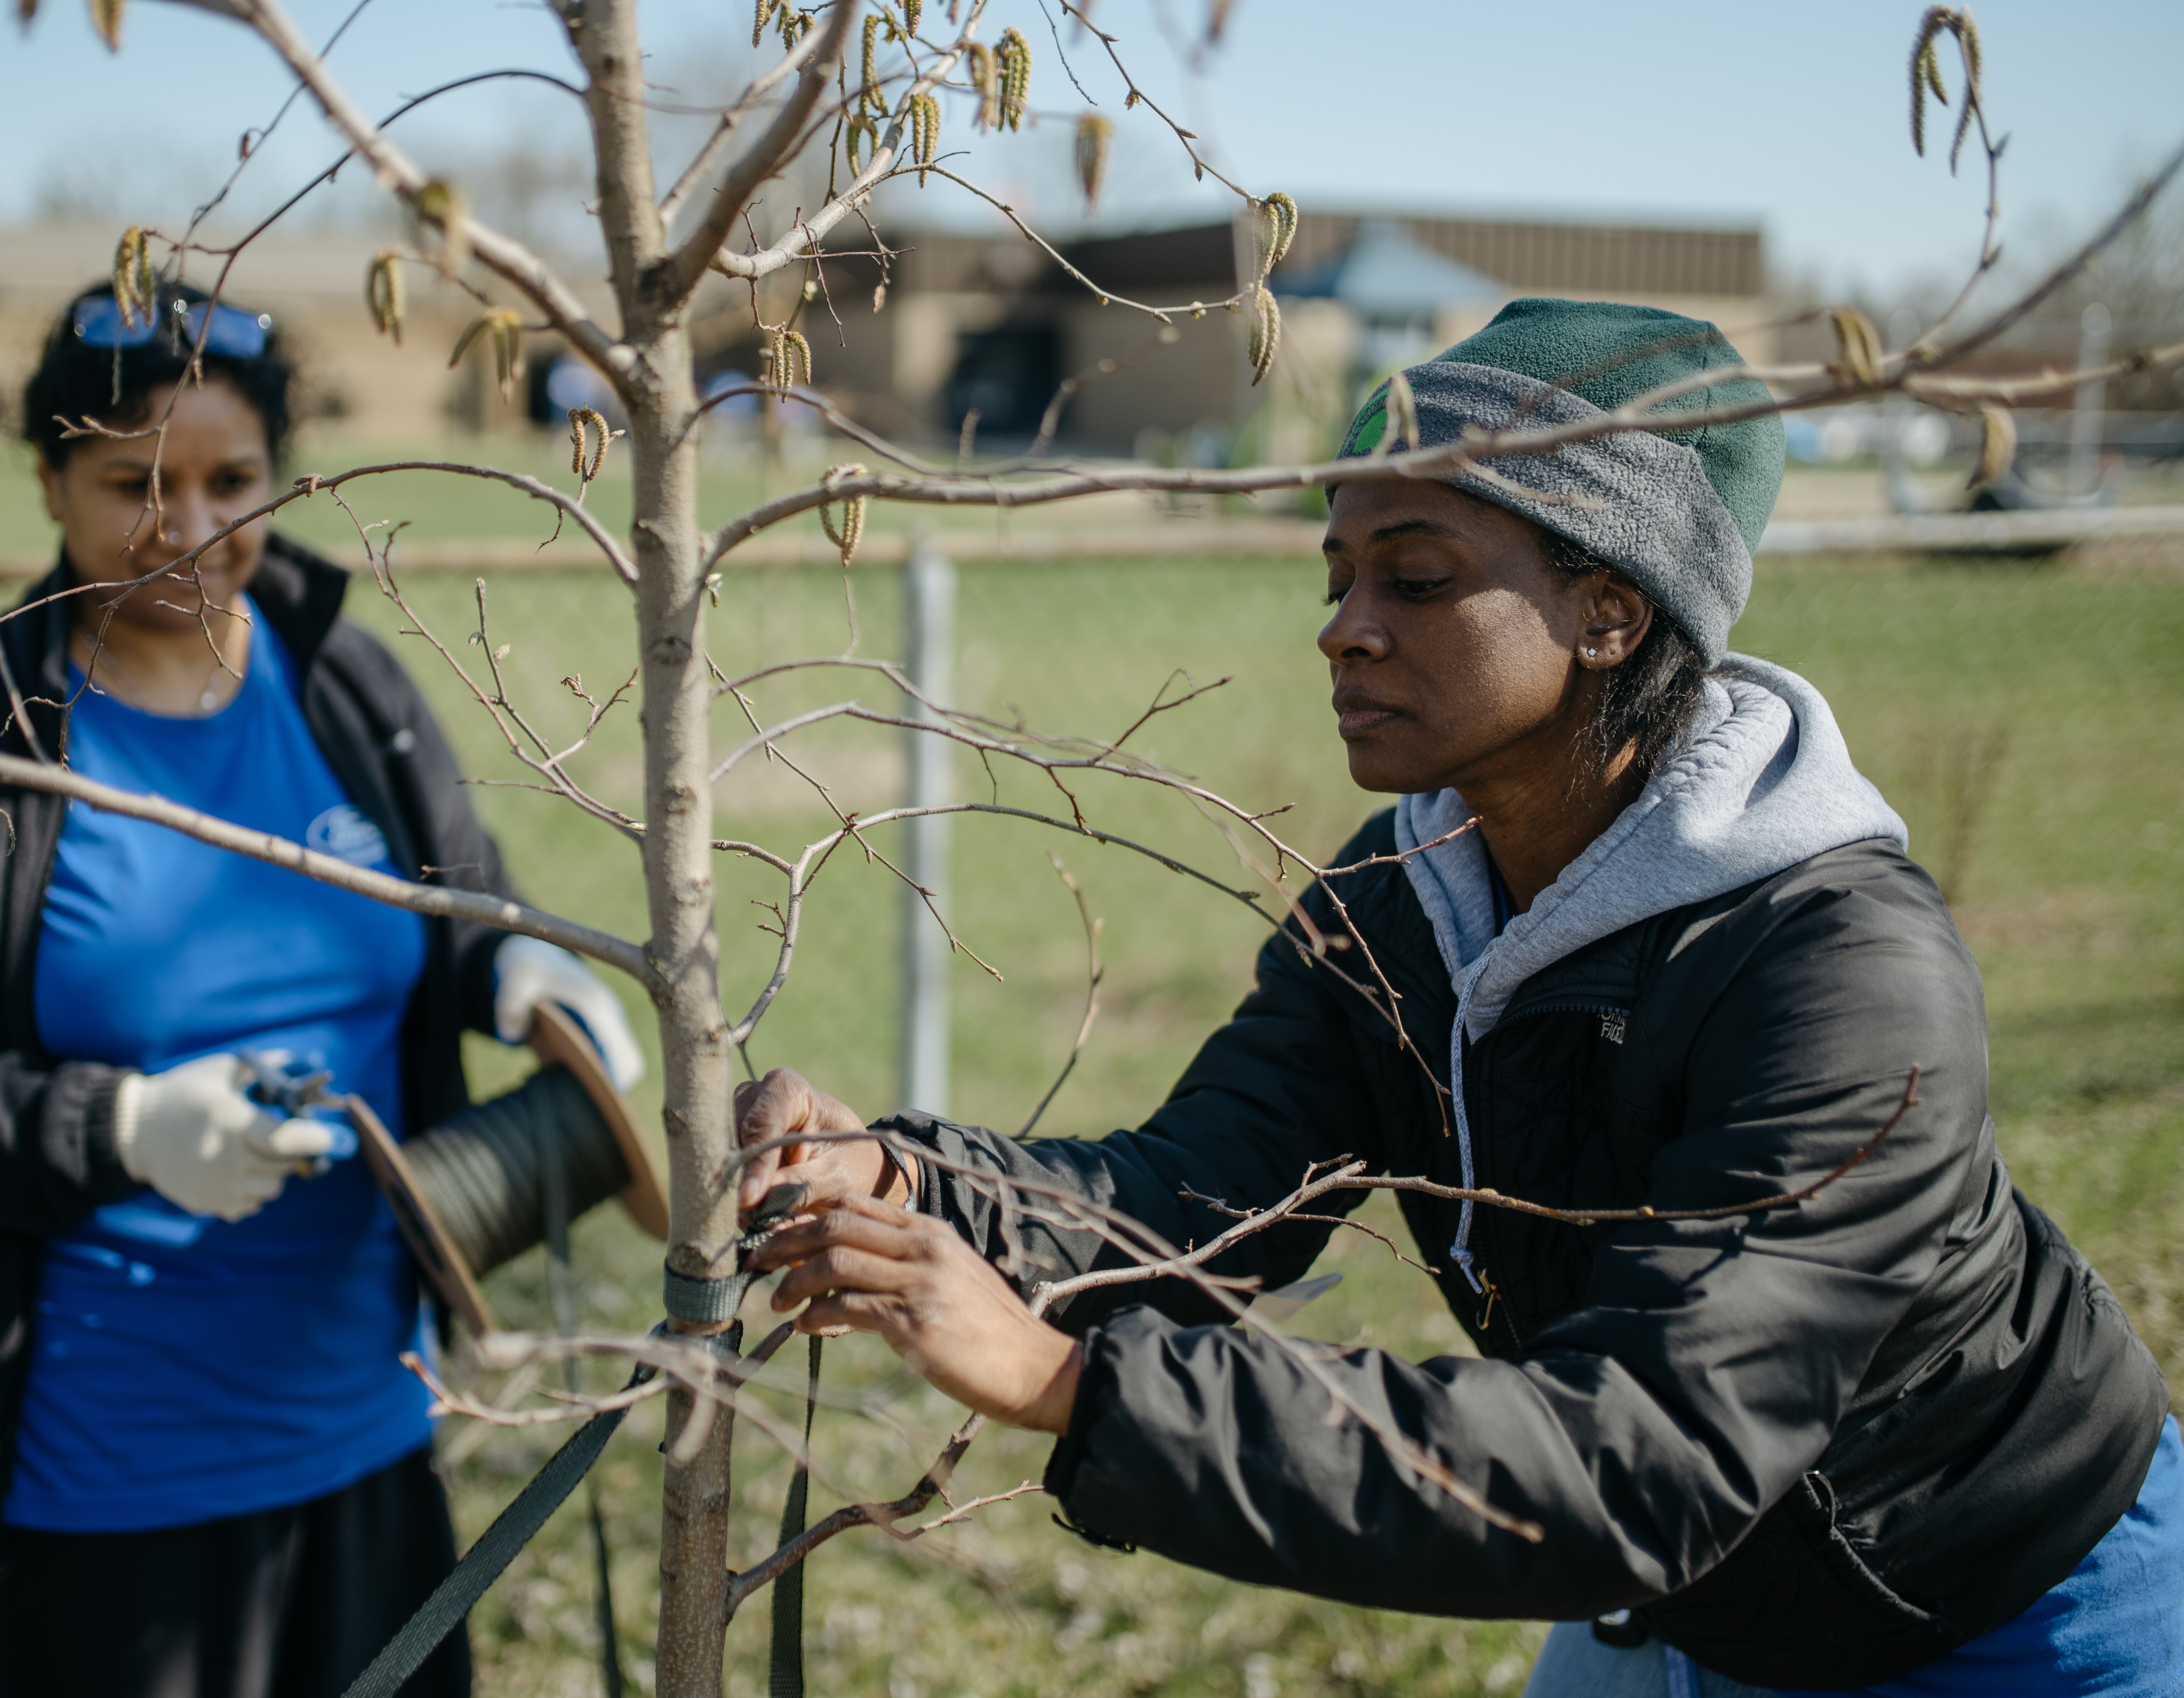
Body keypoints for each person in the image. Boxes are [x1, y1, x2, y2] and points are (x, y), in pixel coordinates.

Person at [735, 300, 2183, 1696]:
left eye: (1415, 581)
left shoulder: (1840, 972)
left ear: (1610, 612)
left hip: (1997, 1612)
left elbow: (1653, 1448)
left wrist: (1074, 1385)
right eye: (1338, 580)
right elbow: (1194, 1197)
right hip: (1670, 1593)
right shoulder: (1403, 901)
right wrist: (905, 1185)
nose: (1344, 631)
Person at [0, 280, 644, 1697]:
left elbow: (464, 909)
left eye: (233, 482)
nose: (188, 527)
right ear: (48, 482)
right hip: (97, 1479)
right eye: (135, 484)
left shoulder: (347, 685)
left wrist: (520, 970)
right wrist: (117, 1129)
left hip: (371, 1430)